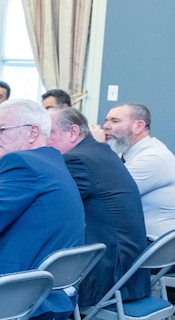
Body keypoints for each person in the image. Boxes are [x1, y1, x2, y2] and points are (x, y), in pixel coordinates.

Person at [0, 99, 85, 320]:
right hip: (56, 294)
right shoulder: (50, 160)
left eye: (1, 129)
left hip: (24, 297)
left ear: (32, 133)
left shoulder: (22, 162)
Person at [47, 107, 148, 309]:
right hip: (127, 268)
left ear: (73, 132)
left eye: (49, 133)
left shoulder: (76, 159)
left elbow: (49, 208)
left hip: (108, 272)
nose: (43, 141)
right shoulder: (98, 151)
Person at [99, 103, 175, 240]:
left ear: (139, 126)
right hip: (142, 241)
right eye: (106, 121)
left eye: (114, 121)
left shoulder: (153, 158)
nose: (106, 126)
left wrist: (97, 148)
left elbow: (102, 196)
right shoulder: (129, 154)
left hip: (156, 249)